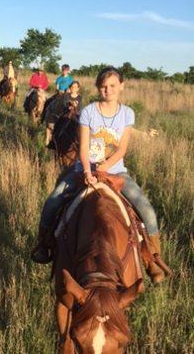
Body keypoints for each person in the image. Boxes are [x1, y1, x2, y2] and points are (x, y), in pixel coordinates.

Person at [31, 66, 171, 284]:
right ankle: (44, 245)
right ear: (98, 88)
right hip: (84, 169)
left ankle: (152, 259)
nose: (108, 90)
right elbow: (84, 146)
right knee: (52, 201)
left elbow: (122, 149)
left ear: (121, 86)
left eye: (113, 86)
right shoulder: (88, 112)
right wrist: (87, 171)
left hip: (115, 171)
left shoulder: (127, 114)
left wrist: (104, 168)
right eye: (104, 86)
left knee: (146, 209)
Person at [44, 81, 82, 147]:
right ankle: (53, 141)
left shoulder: (79, 97)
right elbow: (64, 105)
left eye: (75, 87)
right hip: (66, 113)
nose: (73, 88)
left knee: (81, 126)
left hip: (75, 114)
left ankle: (81, 142)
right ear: (70, 88)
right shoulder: (66, 96)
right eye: (72, 87)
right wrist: (69, 107)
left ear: (78, 89)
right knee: (58, 124)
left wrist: (75, 106)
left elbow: (79, 107)